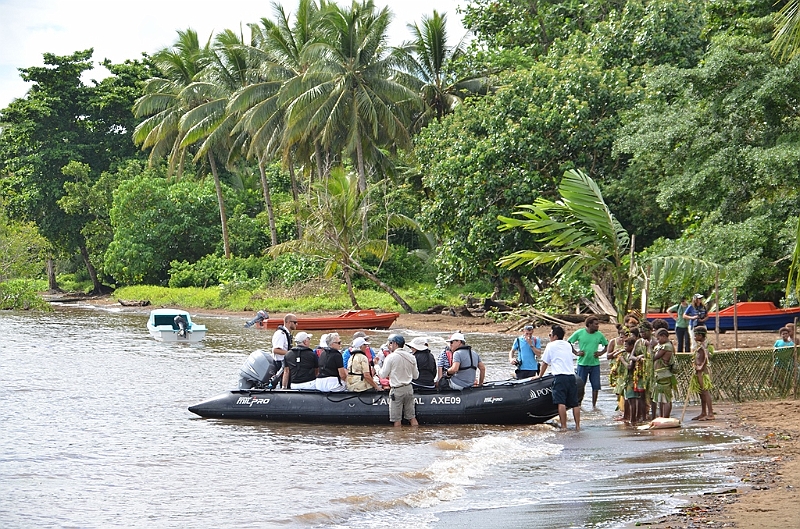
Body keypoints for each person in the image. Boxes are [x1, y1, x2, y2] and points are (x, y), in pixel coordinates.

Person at [537, 325, 581, 431]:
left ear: (555, 336)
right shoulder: (567, 345)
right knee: (575, 403)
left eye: (550, 334)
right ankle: (578, 426)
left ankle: (564, 426)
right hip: (571, 376)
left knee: (561, 402)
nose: (549, 336)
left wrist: (539, 376)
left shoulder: (551, 345)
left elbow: (545, 363)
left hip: (560, 377)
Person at [376, 334, 419, 427]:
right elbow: (416, 376)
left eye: (390, 343)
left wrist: (376, 367)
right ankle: (415, 438)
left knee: (397, 420)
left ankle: (397, 440)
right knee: (412, 417)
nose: (389, 345)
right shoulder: (411, 357)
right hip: (409, 388)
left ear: (395, 344)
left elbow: (383, 374)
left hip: (397, 389)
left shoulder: (391, 357)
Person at [567, 316, 608, 408]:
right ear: (589, 325)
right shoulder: (579, 333)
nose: (598, 326)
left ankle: (594, 406)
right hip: (582, 364)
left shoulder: (599, 334)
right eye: (596, 324)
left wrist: (601, 353)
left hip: (595, 364)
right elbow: (568, 342)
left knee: (596, 386)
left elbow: (607, 345)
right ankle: (579, 405)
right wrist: (576, 352)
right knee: (580, 386)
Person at [617, 335, 643, 426]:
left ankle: (633, 420)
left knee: (632, 400)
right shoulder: (630, 354)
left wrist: (622, 360)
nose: (624, 348)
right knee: (631, 400)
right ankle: (634, 418)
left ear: (632, 346)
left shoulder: (633, 355)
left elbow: (629, 367)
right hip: (631, 380)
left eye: (626, 346)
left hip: (632, 381)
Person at [690, 326, 714, 421]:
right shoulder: (699, 345)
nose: (695, 337)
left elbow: (707, 357)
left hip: (704, 371)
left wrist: (701, 367)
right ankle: (703, 412)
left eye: (696, 335)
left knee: (705, 391)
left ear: (700, 335)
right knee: (701, 392)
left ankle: (710, 413)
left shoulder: (707, 345)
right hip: (698, 370)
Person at [651, 328, 676, 418]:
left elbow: (654, 357)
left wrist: (649, 347)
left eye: (658, 338)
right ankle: (662, 416)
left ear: (664, 337)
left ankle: (666, 417)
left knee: (666, 398)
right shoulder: (662, 345)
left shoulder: (667, 346)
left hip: (664, 374)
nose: (657, 341)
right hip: (659, 374)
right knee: (660, 398)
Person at [271, 314, 298, 386]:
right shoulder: (281, 334)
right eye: (295, 322)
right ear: (288, 322)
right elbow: (275, 350)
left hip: (286, 362)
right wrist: (290, 354)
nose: (297, 324)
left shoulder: (287, 334)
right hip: (280, 363)